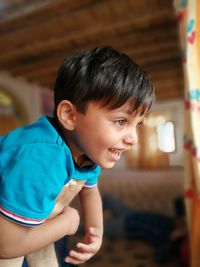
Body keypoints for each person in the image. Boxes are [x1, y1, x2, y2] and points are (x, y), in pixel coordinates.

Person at [0, 46, 154, 267]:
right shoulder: (40, 157)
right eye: (121, 121)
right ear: (70, 115)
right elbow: (5, 245)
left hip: (30, 217)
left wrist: (96, 232)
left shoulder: (87, 151)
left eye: (137, 124)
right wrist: (69, 223)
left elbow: (90, 191)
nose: (134, 139)